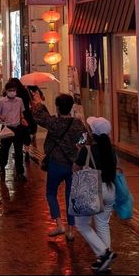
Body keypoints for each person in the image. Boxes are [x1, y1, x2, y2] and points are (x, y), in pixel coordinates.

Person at [32, 90, 87, 240]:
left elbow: (40, 118)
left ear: (57, 108)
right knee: (71, 197)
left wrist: (38, 103)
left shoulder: (54, 123)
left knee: (51, 193)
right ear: (70, 107)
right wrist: (78, 146)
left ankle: (58, 224)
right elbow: (85, 138)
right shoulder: (77, 123)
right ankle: (70, 230)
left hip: (56, 164)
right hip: (72, 165)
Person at [73, 117, 118, 273]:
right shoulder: (111, 149)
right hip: (110, 190)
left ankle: (104, 254)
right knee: (102, 224)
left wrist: (81, 153)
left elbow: (76, 169)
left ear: (93, 132)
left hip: (91, 189)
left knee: (82, 225)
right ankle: (105, 262)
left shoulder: (87, 149)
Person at [0, 80, 27, 180]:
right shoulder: (2, 101)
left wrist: (22, 119)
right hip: (6, 128)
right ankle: (2, 167)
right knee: (4, 150)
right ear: (7, 91)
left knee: (18, 151)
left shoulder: (20, 101)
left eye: (13, 90)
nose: (12, 92)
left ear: (16, 90)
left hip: (17, 128)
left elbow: (22, 112)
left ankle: (20, 172)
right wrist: (1, 117)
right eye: (10, 90)